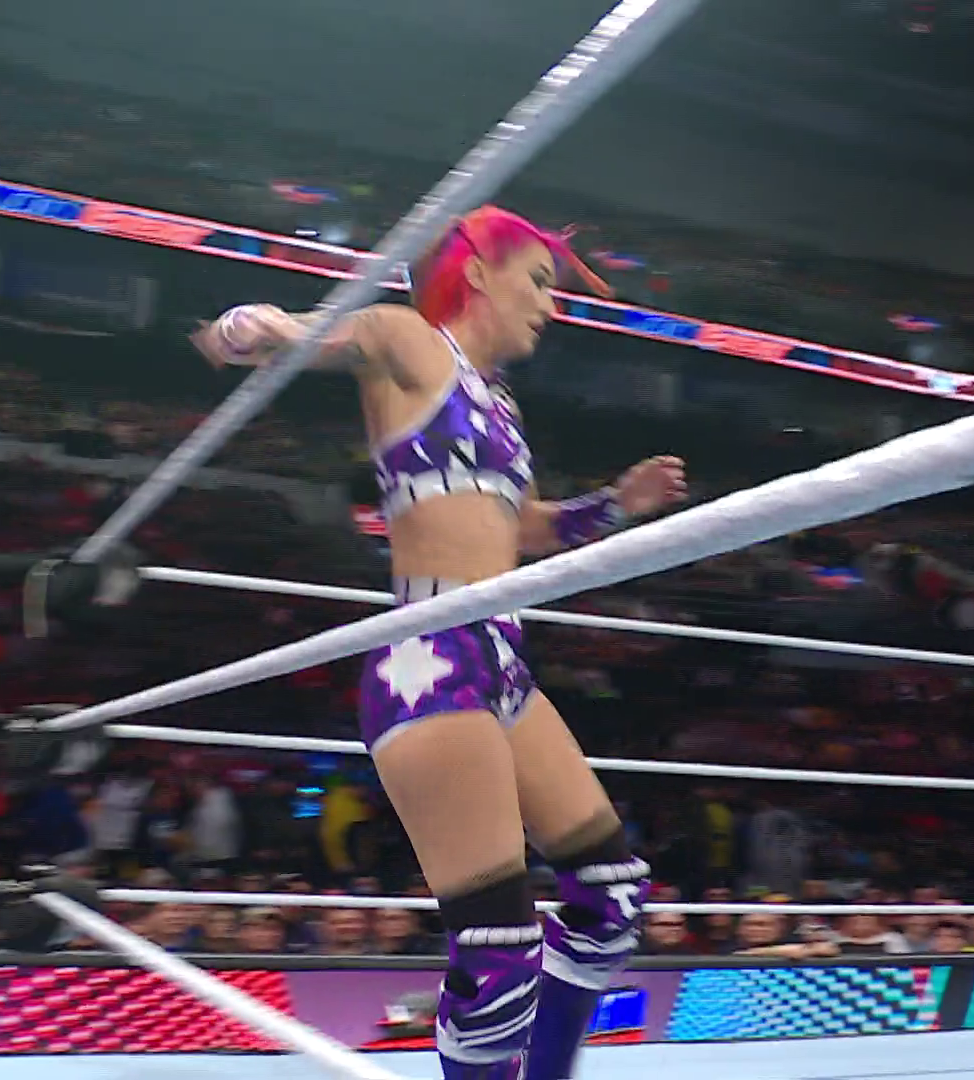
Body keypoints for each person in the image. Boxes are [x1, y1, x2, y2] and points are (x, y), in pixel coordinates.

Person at [193, 206, 687, 1080]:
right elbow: (311, 337)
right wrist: (249, 327)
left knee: (611, 901)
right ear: (480, 272)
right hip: (431, 657)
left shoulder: (499, 402)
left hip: (502, 660)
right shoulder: (411, 341)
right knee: (500, 955)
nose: (551, 305)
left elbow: (523, 528)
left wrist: (617, 504)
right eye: (539, 281)